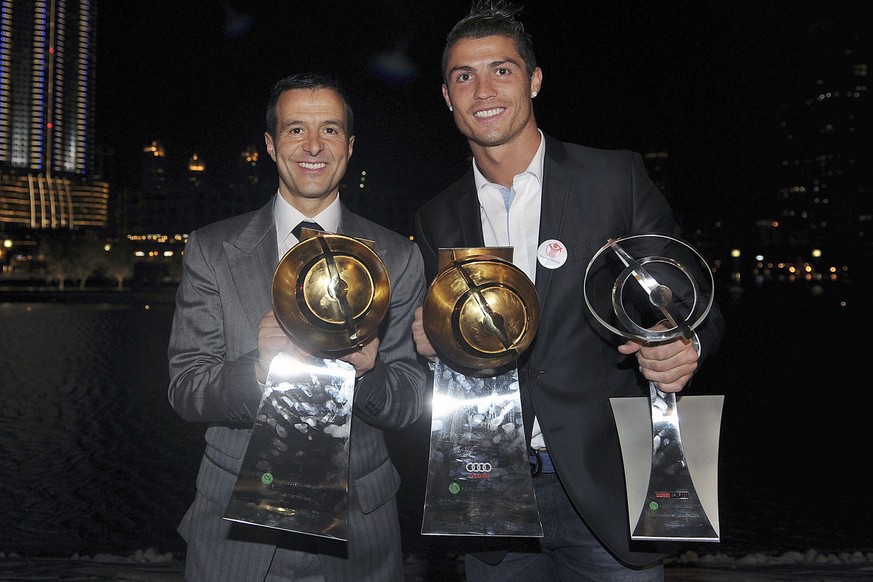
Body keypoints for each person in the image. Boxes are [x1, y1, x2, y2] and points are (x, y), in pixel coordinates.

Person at [411, 1, 725, 580]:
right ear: (447, 95)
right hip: (491, 493)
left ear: (533, 79)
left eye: (501, 69)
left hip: (606, 483)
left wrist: (685, 343)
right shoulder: (435, 219)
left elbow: (692, 303)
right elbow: (440, 351)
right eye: (463, 76)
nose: (483, 89)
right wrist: (425, 341)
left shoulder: (614, 179)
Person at [168, 72, 427, 581]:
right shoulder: (211, 249)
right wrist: (258, 370)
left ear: (349, 147)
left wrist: (370, 375)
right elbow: (185, 389)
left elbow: (412, 398)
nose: (313, 145)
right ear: (270, 144)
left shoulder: (398, 255)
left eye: (329, 130)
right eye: (295, 130)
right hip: (235, 528)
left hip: (362, 530)